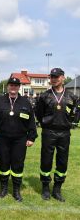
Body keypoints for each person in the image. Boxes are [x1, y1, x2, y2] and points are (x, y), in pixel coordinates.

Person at [0, 77, 37, 202]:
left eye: (16, 85)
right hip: (2, 138)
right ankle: (4, 188)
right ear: (8, 86)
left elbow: (31, 121)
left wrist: (31, 137)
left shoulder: (25, 102)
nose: (13, 87)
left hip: (20, 139)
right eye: (11, 85)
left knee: (18, 164)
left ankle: (16, 190)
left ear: (19, 87)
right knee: (3, 163)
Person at [36, 68, 80, 202]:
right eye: (52, 77)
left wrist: (70, 122)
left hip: (64, 133)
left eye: (56, 77)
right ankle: (45, 187)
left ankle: (57, 189)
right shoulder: (44, 96)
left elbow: (76, 113)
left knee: (62, 161)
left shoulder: (72, 96)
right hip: (49, 132)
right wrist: (45, 123)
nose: (53, 79)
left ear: (63, 78)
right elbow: (39, 113)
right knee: (46, 160)